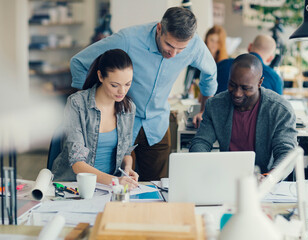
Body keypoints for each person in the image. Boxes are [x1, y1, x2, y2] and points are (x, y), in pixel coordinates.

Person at [70, 7, 217, 180]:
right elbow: (78, 63)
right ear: (159, 29)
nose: (173, 54)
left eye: (180, 49)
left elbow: (211, 72)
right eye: (169, 45)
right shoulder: (128, 40)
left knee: (156, 189)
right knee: (121, 187)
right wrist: (90, 106)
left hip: (158, 126)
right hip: (121, 125)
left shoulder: (195, 46)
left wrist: (204, 109)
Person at [189, 54, 297, 175]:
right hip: (226, 178)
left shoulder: (280, 110)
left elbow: (287, 154)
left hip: (267, 181)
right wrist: (203, 167)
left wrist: (270, 177)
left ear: (260, 82)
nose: (237, 94)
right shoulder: (215, 105)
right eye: (232, 85)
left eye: (245, 88)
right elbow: (201, 142)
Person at [52, 49, 139, 189]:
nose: (122, 91)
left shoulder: (128, 108)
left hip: (109, 187)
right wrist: (115, 181)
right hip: (75, 186)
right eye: (115, 85)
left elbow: (126, 152)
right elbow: (77, 163)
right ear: (100, 76)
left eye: (127, 84)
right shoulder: (77, 104)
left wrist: (127, 169)